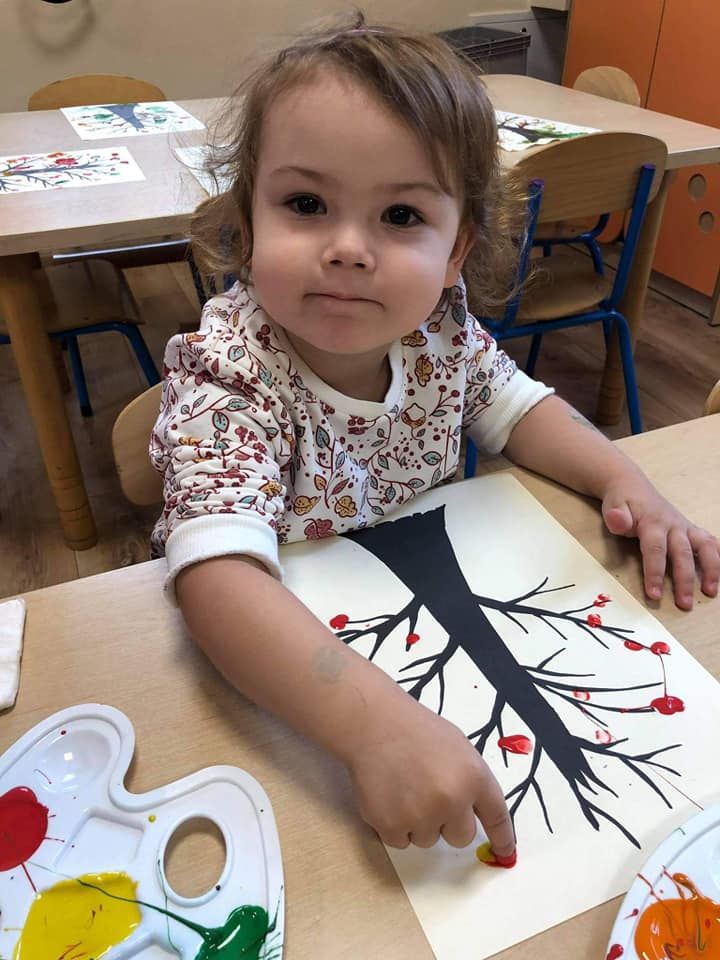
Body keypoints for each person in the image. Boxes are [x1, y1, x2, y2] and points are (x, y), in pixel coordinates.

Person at [150, 13, 719, 864]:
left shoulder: (438, 332)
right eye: (306, 205)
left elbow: (520, 409)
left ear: (456, 252)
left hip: (420, 627)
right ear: (247, 220)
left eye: (400, 215)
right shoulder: (230, 374)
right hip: (298, 686)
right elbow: (215, 579)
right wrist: (372, 729)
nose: (348, 248)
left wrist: (624, 481)